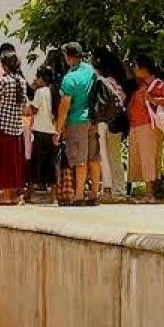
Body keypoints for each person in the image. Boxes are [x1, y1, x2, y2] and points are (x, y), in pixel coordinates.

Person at [125, 56, 164, 201]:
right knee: (139, 158)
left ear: (144, 68)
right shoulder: (138, 84)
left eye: (136, 66)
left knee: (148, 158)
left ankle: (150, 193)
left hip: (148, 125)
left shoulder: (156, 84)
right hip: (136, 125)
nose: (134, 69)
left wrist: (152, 99)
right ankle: (146, 192)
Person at [55, 42, 100, 206]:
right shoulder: (90, 70)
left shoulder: (69, 78)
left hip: (77, 121)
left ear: (69, 57)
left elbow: (64, 105)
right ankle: (95, 193)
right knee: (94, 158)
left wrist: (58, 129)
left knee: (79, 159)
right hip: (92, 120)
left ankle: (79, 194)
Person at [0, 49, 29, 205]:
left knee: (2, 161)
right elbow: (24, 104)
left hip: (3, 125)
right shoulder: (22, 82)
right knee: (15, 162)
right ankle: (14, 194)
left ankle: (5, 194)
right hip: (16, 127)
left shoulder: (3, 81)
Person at [92, 48, 131, 200]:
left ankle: (111, 189)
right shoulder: (116, 82)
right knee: (115, 156)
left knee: (106, 156)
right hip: (119, 122)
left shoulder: (102, 82)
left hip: (106, 122)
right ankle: (118, 189)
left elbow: (100, 105)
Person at [25, 64, 59, 203]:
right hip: (52, 131)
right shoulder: (55, 91)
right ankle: (53, 196)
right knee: (51, 164)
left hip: (39, 131)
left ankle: (30, 193)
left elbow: (33, 109)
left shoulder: (40, 92)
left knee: (36, 163)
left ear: (41, 78)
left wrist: (31, 90)